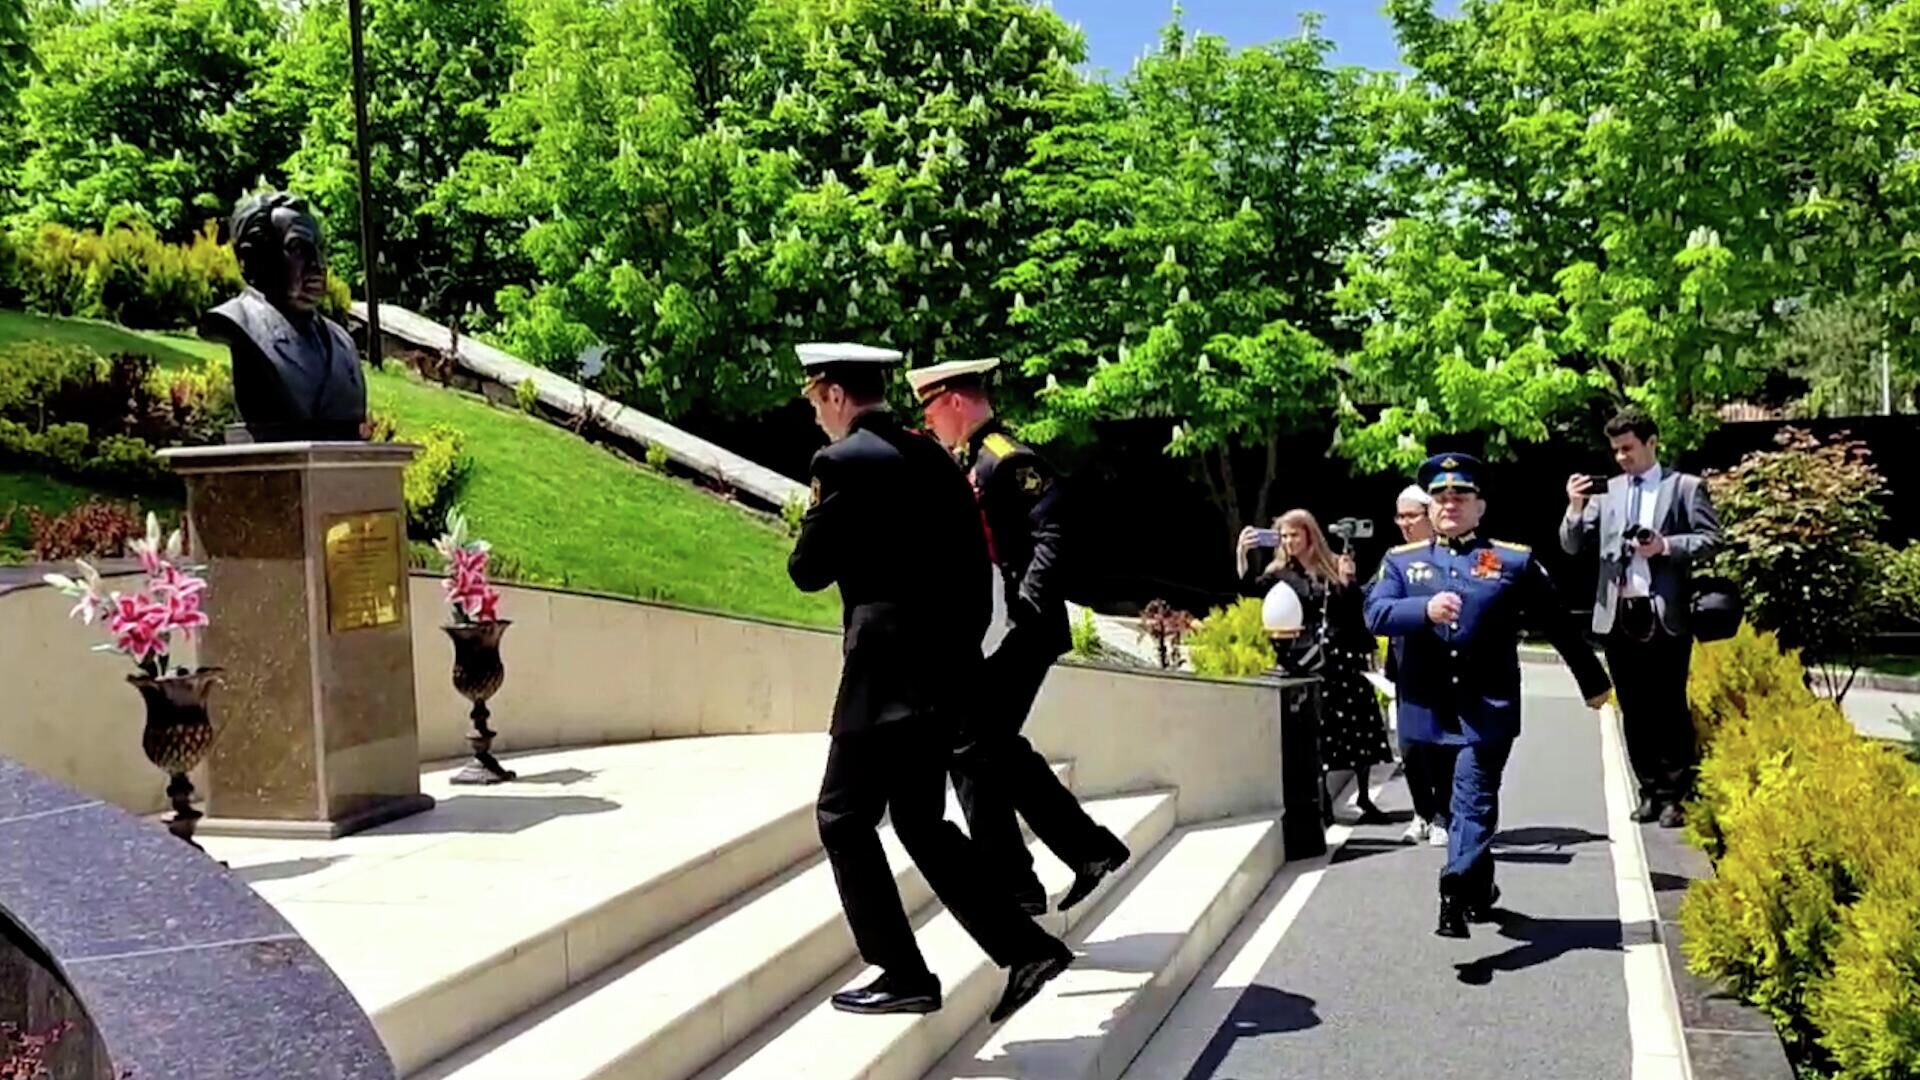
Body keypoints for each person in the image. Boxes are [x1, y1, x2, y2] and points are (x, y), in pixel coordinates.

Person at [786, 343, 1072, 1022]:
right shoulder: (934, 457)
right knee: (920, 819)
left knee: (842, 816)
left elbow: (806, 568)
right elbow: (978, 567)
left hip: (883, 678)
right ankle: (1023, 946)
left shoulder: (841, 462)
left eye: (812, 399)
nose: (814, 416)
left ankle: (901, 970)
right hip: (948, 673)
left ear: (832, 394)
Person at [907, 358, 1132, 916]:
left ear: (955, 401)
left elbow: (1054, 525)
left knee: (977, 743)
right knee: (979, 747)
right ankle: (1063, 860)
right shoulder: (974, 459)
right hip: (999, 628)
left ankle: (1047, 867)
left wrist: (1028, 602)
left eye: (931, 408)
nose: (929, 421)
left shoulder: (1006, 458)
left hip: (1023, 628)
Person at [1365, 454, 1612, 938]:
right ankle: (1479, 890)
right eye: (1440, 497)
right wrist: (1424, 610)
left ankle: (1453, 890)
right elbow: (1376, 614)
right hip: (1427, 712)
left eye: (1460, 496)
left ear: (1480, 507)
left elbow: (1557, 623)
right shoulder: (1401, 562)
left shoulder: (1513, 561)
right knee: (1453, 808)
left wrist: (1593, 681)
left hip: (1487, 709)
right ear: (1430, 507)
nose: (1449, 504)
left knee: (1472, 800)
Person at [1559, 408, 1720, 828]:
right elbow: (1572, 546)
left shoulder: (1684, 487)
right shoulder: (1607, 492)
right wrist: (1575, 509)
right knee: (1633, 706)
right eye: (1615, 450)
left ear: (1652, 443)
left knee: (1668, 706)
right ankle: (1648, 790)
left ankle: (1674, 795)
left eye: (1628, 448)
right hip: (1618, 612)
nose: (1621, 458)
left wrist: (1665, 545)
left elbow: (1711, 539)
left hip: (1664, 611)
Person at [1238, 509, 1394, 826]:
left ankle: (1364, 796)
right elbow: (1250, 591)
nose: (1289, 541)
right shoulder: (1280, 572)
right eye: (1284, 536)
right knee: (1318, 734)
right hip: (1305, 658)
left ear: (1310, 535)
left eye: (1294, 534)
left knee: (1359, 728)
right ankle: (1322, 801)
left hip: (1341, 657)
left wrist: (1349, 582)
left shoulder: (1335, 565)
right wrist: (1242, 555)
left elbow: (1354, 609)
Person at [199, 191, 368, 442]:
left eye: (320, 249)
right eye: (299, 249)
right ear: (253, 258)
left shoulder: (342, 341)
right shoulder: (239, 323)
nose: (318, 265)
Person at [1383, 485, 1456, 848]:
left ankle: (1443, 813)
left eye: (1412, 515)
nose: (1405, 524)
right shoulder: (1394, 559)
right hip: (1406, 663)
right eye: (1401, 517)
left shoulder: (1448, 555)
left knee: (1441, 744)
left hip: (1445, 662)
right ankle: (1421, 812)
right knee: (1410, 745)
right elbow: (1377, 605)